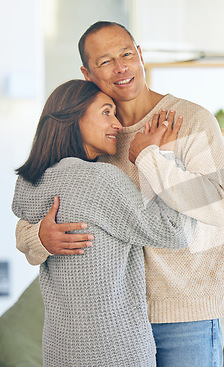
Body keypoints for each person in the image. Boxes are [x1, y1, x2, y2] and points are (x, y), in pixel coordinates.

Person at [16, 21, 224, 366]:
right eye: (105, 62)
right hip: (118, 322)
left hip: (185, 318)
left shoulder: (191, 121)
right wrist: (38, 238)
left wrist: (149, 157)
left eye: (126, 54)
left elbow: (221, 209)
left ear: (140, 56)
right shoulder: (94, 131)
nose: (121, 68)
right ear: (87, 73)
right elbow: (43, 200)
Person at [12, 79, 196, 366]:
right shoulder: (99, 181)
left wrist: (34, 237)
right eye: (107, 112)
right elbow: (176, 231)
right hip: (114, 349)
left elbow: (23, 230)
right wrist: (163, 158)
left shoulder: (29, 183)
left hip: (59, 349)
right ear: (73, 117)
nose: (118, 125)